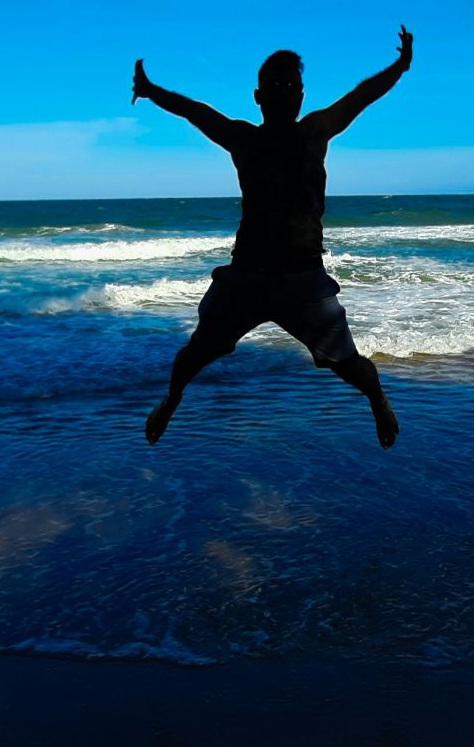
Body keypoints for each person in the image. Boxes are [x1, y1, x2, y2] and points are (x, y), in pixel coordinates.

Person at [131, 28, 413, 449]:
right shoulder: (244, 139)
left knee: (347, 362)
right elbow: (195, 111)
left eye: (291, 86)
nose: (284, 93)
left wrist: (401, 65)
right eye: (274, 86)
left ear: (301, 95)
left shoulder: (315, 131)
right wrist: (151, 91)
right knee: (195, 354)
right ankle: (171, 400)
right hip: (247, 275)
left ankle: (379, 401)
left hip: (304, 278)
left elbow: (363, 94)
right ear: (258, 96)